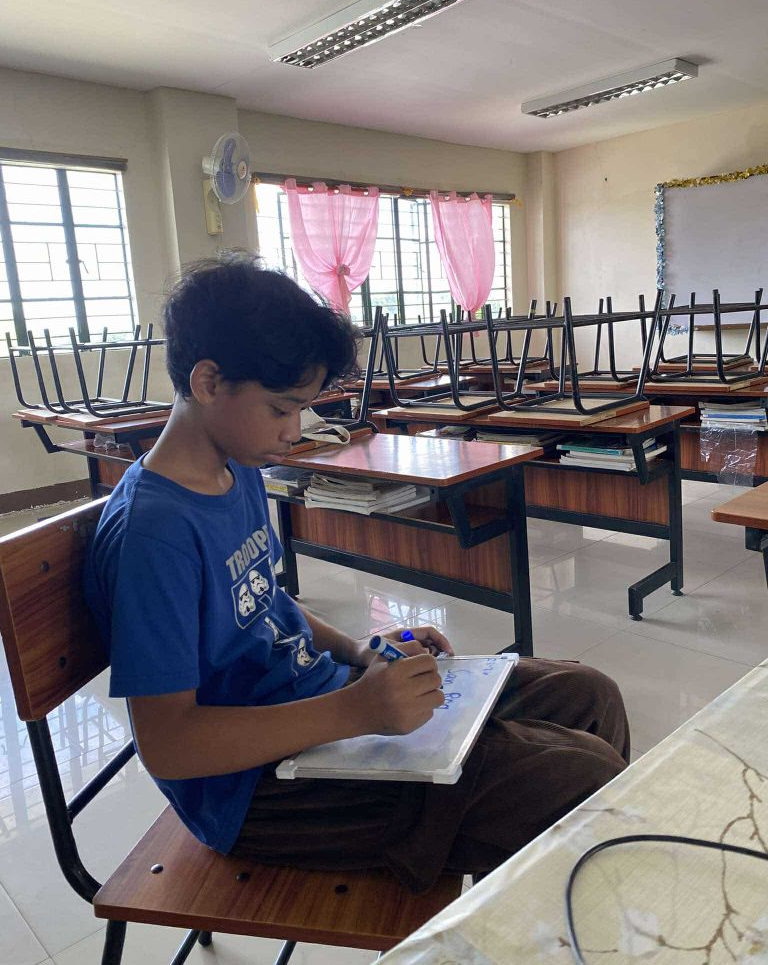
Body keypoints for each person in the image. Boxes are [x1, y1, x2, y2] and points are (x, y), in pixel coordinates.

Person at [84, 251, 630, 893]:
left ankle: (556, 891)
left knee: (588, 694)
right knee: (580, 776)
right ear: (208, 382)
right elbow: (172, 745)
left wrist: (361, 650)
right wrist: (354, 710)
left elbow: (264, 605)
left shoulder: (239, 472)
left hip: (321, 710)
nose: (295, 431)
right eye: (282, 408)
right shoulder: (156, 534)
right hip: (256, 791)